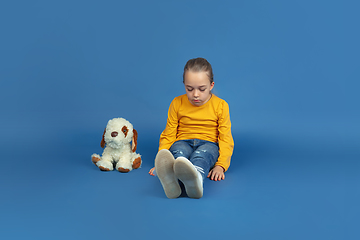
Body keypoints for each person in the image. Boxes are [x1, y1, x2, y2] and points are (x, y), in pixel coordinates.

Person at [149, 57, 234, 199]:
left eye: (202, 89)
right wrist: (161, 160)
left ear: (211, 85)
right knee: (179, 154)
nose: (195, 94)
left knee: (202, 156)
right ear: (184, 85)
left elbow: (225, 137)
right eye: (190, 89)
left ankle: (196, 181)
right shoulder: (177, 103)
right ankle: (171, 180)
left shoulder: (221, 106)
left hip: (209, 144)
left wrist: (221, 165)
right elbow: (169, 133)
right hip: (183, 141)